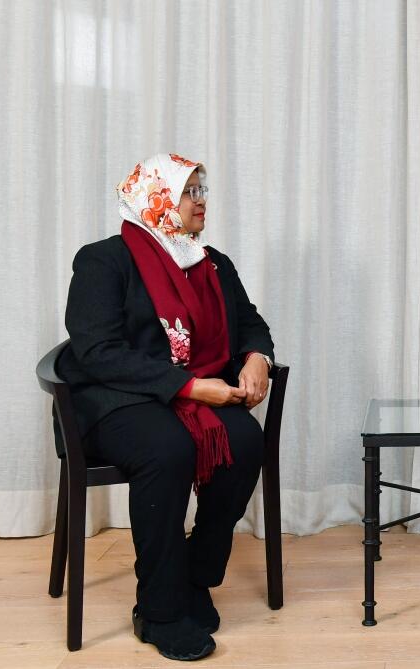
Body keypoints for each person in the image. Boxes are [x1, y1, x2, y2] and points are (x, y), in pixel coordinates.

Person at [57, 153, 275, 661]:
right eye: (188, 192)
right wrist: (190, 386)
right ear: (155, 198)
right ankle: (158, 610)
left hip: (191, 394)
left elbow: (249, 323)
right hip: (115, 399)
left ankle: (195, 576)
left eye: (202, 191)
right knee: (167, 450)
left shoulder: (213, 263)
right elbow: (97, 351)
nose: (201, 202)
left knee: (246, 441)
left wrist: (257, 357)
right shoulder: (103, 260)